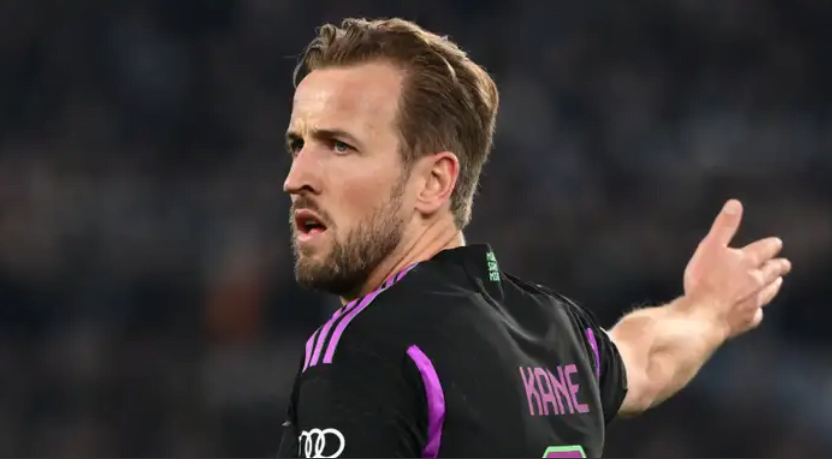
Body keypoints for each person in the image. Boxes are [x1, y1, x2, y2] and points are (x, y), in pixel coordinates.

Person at [276, 18, 792, 458]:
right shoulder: (556, 331)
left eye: (339, 146)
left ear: (433, 182)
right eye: (298, 145)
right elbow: (647, 359)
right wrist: (712, 307)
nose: (296, 178)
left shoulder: (367, 349)